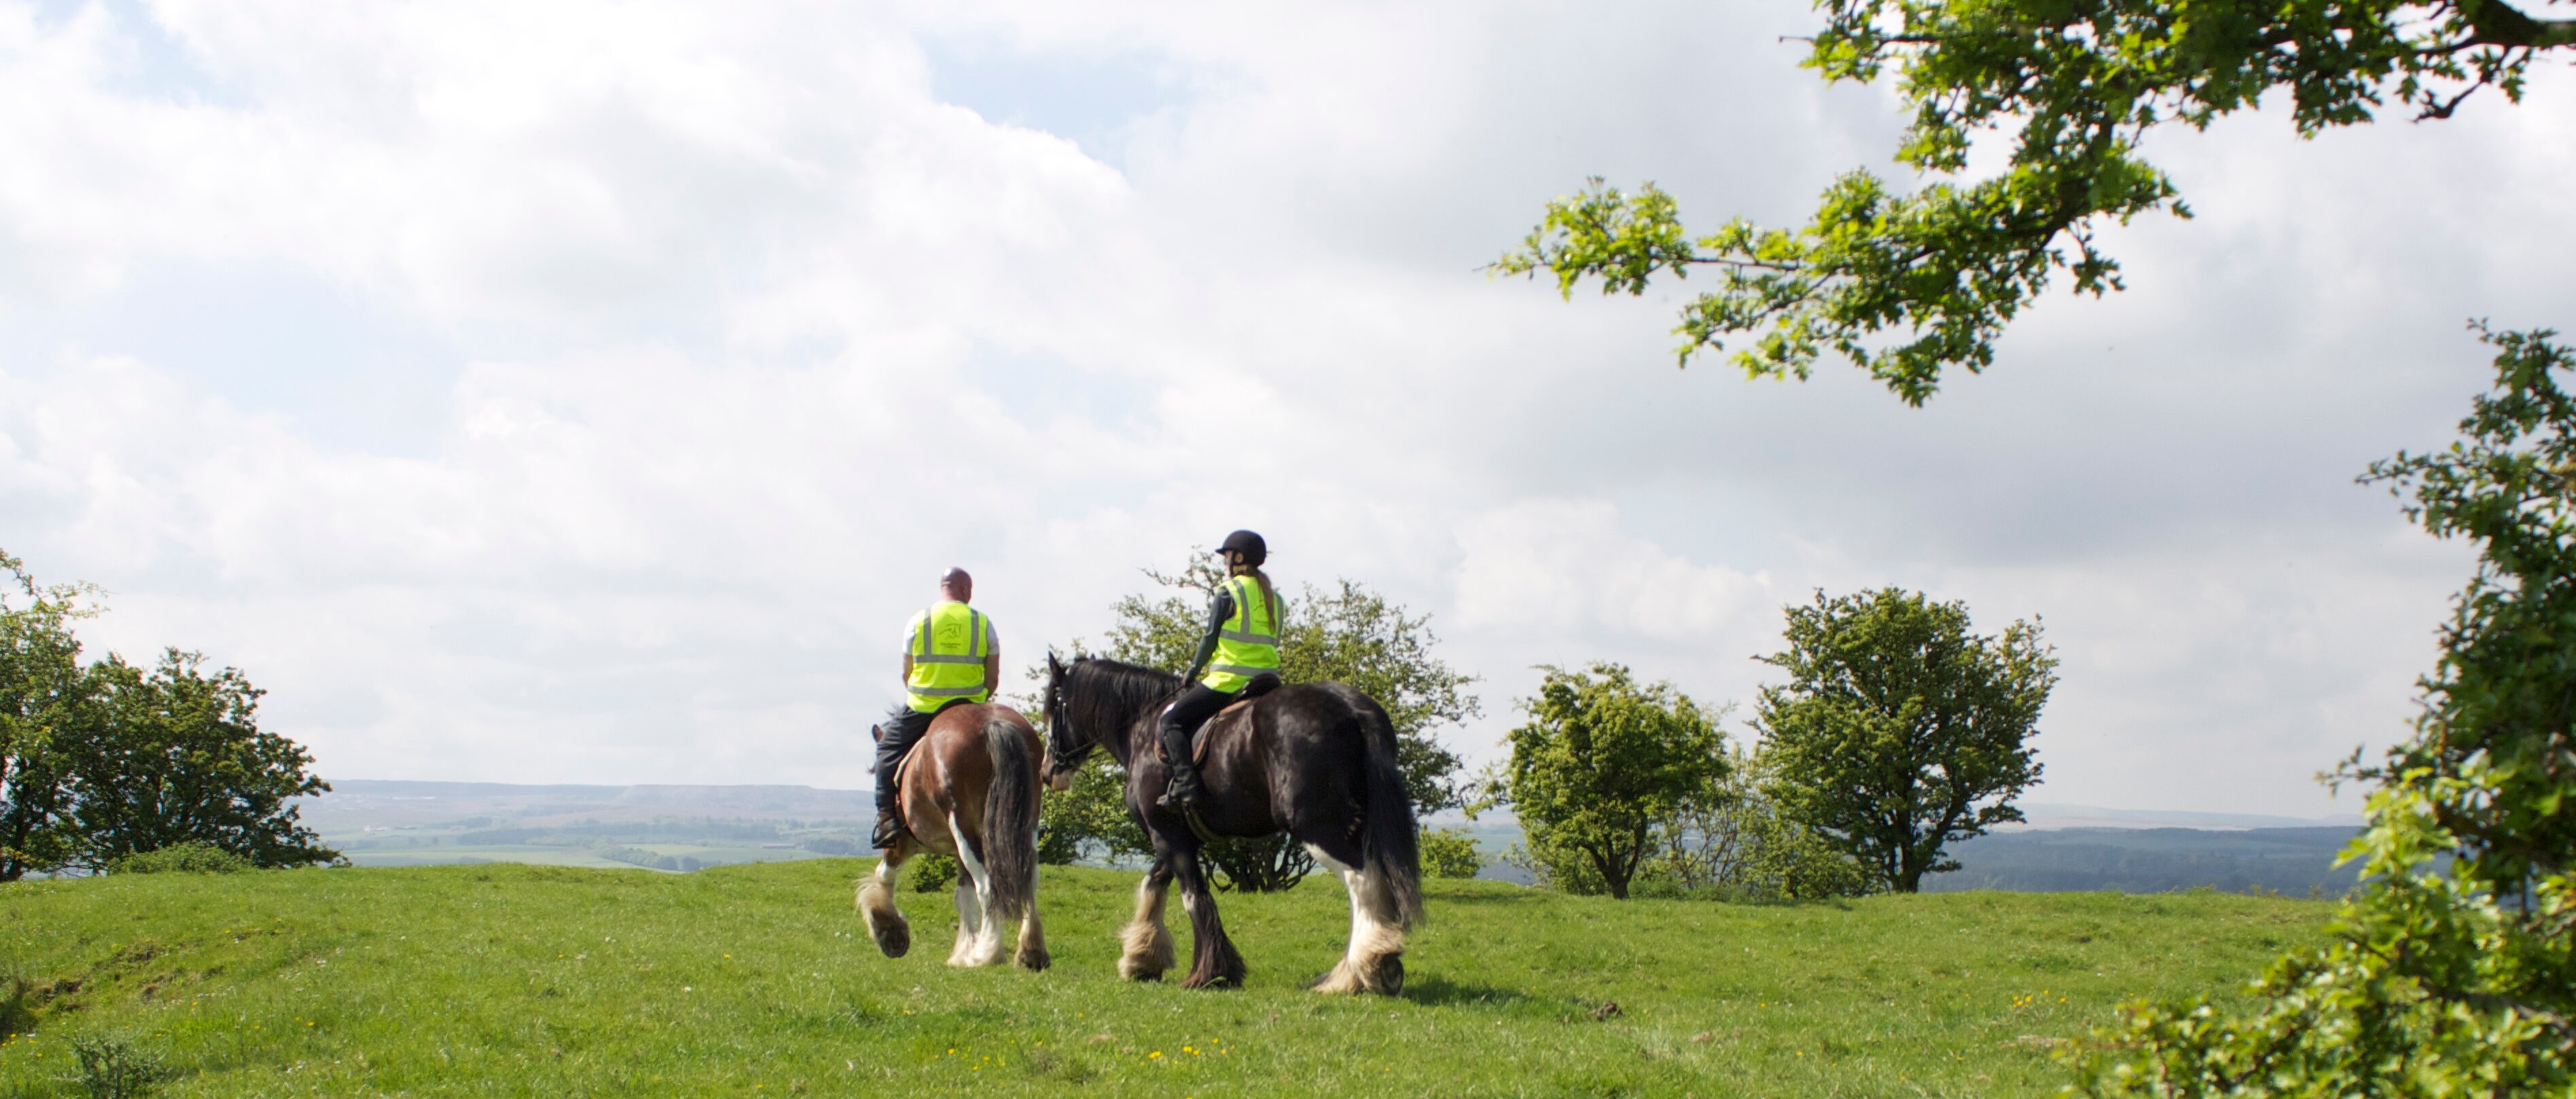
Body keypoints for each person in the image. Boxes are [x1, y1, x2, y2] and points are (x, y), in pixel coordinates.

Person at [1156, 529, 1283, 812]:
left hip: (1229, 680)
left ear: (1238, 558)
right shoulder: (1276, 599)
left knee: (1170, 721)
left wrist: (1192, 670)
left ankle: (1186, 786)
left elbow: (1210, 637)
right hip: (1269, 680)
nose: (1225, 562)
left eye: (1226, 556)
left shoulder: (1230, 591)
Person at [873, 567, 1000, 849]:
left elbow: (907, 672)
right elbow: (992, 679)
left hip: (924, 707)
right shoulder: (982, 622)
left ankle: (886, 821)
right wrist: (980, 699)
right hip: (971, 708)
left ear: (944, 587)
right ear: (966, 590)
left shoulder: (918, 621)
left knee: (886, 751)